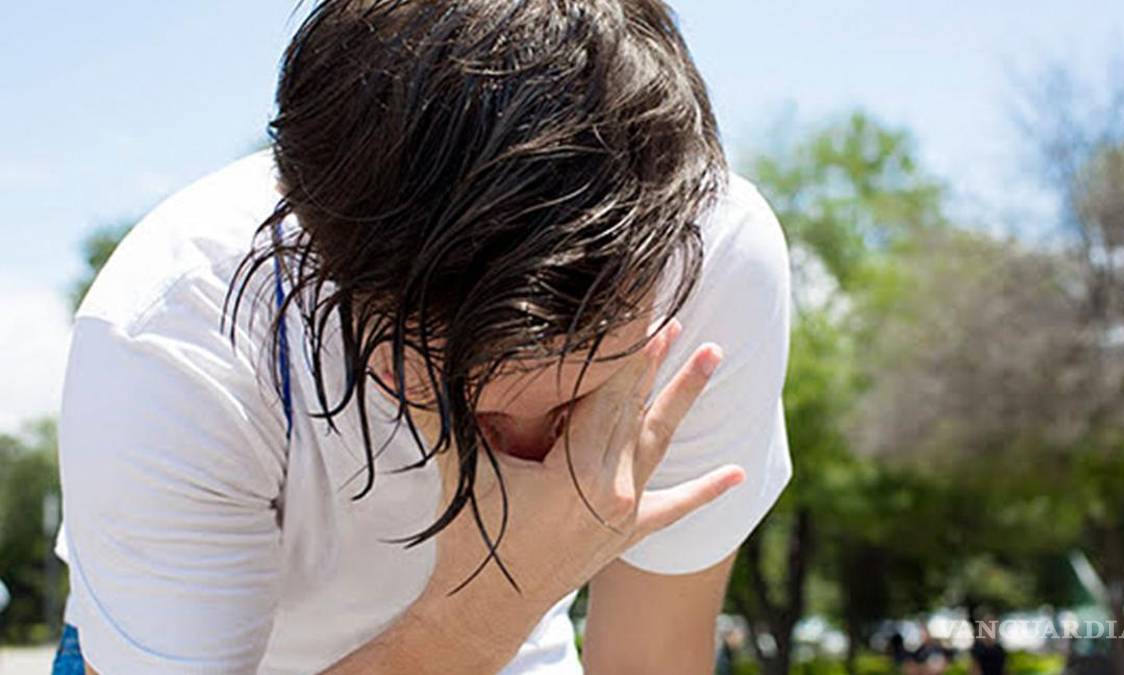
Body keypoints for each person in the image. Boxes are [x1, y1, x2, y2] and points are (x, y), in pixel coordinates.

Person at [52, 1, 792, 673]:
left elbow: (646, 659)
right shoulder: (172, 340)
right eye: (471, 409)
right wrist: (484, 610)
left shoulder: (714, 263)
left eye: (579, 398)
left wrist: (495, 619)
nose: (540, 468)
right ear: (327, 274)